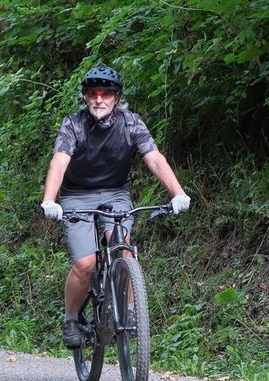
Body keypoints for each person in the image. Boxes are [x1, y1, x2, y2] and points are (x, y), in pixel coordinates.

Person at [40, 64, 191, 348]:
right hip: (77, 195)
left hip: (115, 194)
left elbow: (154, 158)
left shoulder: (131, 122)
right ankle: (71, 318)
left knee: (123, 249)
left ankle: (131, 312)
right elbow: (59, 161)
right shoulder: (73, 124)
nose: (100, 99)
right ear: (85, 97)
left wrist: (177, 192)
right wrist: (50, 199)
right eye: (94, 93)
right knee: (85, 264)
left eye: (106, 93)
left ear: (117, 98)